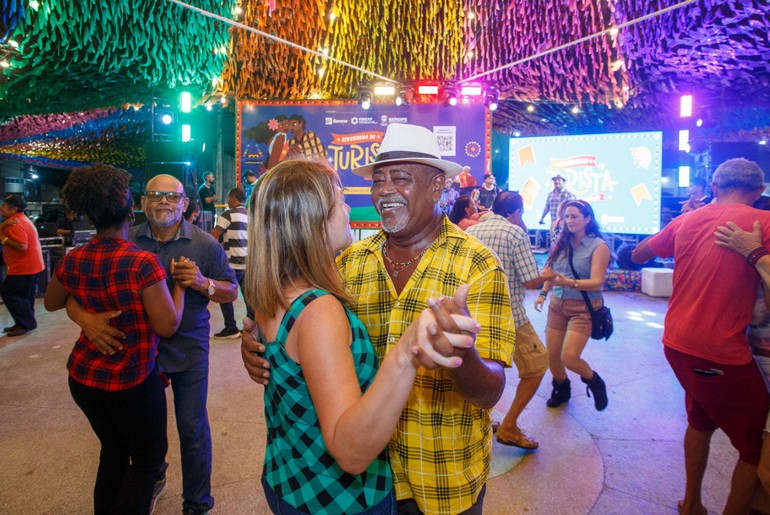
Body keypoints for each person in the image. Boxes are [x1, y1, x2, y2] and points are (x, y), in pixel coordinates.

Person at [243, 123, 515, 514]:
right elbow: (296, 325)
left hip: (439, 481)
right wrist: (256, 346)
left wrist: (462, 355)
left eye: (400, 178)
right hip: (363, 481)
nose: (384, 190)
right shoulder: (346, 262)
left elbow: (491, 391)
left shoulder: (477, 266)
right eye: (378, 180)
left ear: (437, 187)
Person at [66, 174, 238, 515]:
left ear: (185, 204)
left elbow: (231, 290)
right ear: (142, 203)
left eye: (172, 196)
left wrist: (203, 283)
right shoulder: (128, 241)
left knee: (191, 428)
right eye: (155, 195)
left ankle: (197, 505)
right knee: (145, 437)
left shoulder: (204, 245)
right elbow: (71, 290)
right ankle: (153, 479)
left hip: (189, 351)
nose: (164, 201)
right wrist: (85, 319)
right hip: (138, 355)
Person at [43, 165, 185, 515]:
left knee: (113, 449)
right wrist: (179, 286)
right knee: (148, 460)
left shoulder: (75, 257)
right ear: (131, 210)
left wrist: (84, 314)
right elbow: (167, 325)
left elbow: (50, 301)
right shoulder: (142, 263)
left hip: (84, 378)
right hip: (130, 380)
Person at [632, 158, 770, 515]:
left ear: (713, 188)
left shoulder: (686, 220)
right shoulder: (765, 223)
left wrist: (686, 223)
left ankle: (691, 503)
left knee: (700, 419)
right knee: (755, 448)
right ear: (759, 191)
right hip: (722, 351)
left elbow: (637, 253)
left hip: (677, 343)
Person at [466, 191, 548, 449]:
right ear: (516, 212)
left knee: (480, 371)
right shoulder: (515, 233)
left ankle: (481, 420)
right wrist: (549, 275)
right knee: (536, 366)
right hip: (510, 315)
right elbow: (529, 279)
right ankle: (509, 426)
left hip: (474, 315)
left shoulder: (472, 232)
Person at [536, 199, 610, 412]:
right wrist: (543, 293)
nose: (570, 220)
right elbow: (551, 273)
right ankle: (561, 387)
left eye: (575, 216)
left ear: (588, 218)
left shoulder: (599, 246)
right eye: (567, 216)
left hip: (584, 309)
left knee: (569, 357)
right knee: (552, 355)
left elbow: (596, 282)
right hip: (557, 305)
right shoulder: (561, 242)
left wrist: (567, 282)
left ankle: (595, 381)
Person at [210, 187, 252, 339]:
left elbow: (213, 236)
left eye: (228, 198)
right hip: (248, 262)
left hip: (231, 263)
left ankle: (230, 327)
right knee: (249, 297)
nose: (227, 201)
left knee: (225, 295)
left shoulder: (227, 214)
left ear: (234, 199)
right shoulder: (250, 215)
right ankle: (251, 327)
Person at [0, 194, 44, 337]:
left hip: (23, 266)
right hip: (31, 265)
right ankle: (22, 323)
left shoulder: (14, 224)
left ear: (14, 209)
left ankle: (26, 323)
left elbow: (22, 246)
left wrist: (3, 239)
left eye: (4, 206)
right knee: (25, 296)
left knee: (9, 293)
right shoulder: (18, 220)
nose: (1, 208)